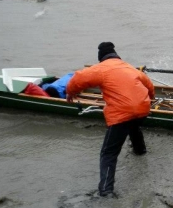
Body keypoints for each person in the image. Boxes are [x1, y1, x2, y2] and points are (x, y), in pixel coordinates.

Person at [66, 42, 155, 197]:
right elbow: (148, 85)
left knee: (108, 152)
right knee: (133, 125)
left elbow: (78, 79)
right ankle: (140, 151)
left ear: (101, 58)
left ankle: (106, 191)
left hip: (122, 113)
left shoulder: (101, 68)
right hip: (143, 108)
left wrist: (69, 92)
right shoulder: (128, 66)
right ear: (116, 55)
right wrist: (150, 98)